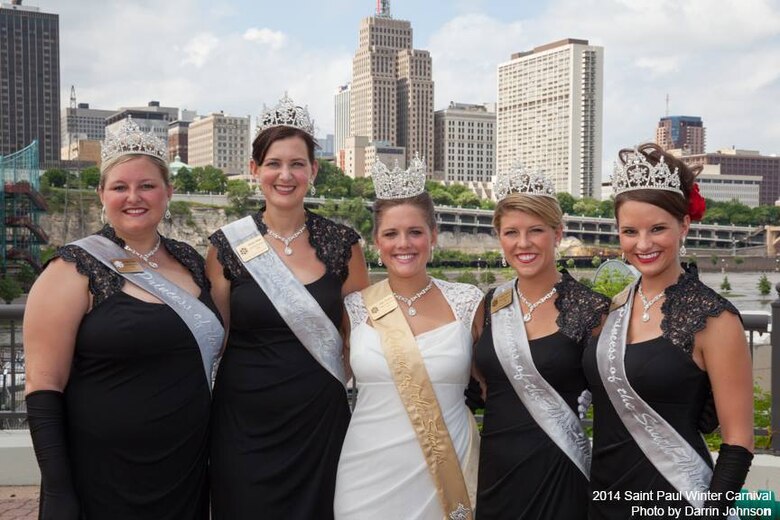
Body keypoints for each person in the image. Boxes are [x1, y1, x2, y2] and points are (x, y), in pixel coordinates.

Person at [23, 116, 223, 519]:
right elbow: (43, 385)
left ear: (168, 191)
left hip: (183, 470)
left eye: (147, 185)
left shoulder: (191, 261)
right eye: (120, 187)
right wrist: (60, 489)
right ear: (102, 194)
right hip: (101, 475)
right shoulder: (71, 269)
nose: (134, 196)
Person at [207, 93, 368, 520]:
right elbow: (214, 340)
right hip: (244, 420)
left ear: (314, 171)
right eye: (275, 164)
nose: (286, 175)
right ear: (255, 170)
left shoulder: (343, 245)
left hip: (319, 418)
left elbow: (361, 339)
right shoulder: (226, 247)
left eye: (297, 164)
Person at [584, 143, 754, 519]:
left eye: (657, 228)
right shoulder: (611, 308)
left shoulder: (714, 319)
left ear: (685, 225)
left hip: (677, 500)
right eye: (630, 231)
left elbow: (739, 442)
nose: (642, 244)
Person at [334, 155, 484, 520]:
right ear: (376, 242)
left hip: (447, 476)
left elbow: (497, 387)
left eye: (415, 232)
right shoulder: (353, 308)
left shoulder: (469, 302)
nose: (404, 244)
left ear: (433, 235)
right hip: (366, 476)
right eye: (391, 233)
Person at [473, 164, 609, 519]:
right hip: (496, 474)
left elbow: (613, 406)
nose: (523, 243)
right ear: (499, 237)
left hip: (560, 472)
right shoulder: (488, 305)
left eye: (536, 230)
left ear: (558, 233)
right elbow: (481, 388)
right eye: (511, 232)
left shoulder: (592, 310)